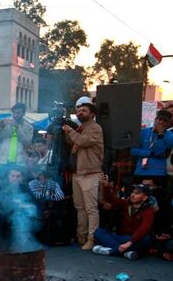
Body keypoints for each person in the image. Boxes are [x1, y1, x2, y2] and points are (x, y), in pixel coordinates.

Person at [63, 101, 104, 250]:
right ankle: (81, 237)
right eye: (79, 110)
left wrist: (70, 131)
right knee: (79, 207)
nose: (80, 113)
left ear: (92, 114)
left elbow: (83, 141)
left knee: (91, 209)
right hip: (78, 173)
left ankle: (92, 239)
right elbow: (71, 144)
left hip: (90, 173)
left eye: (84, 111)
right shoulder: (80, 128)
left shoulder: (95, 128)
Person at [92, 183, 156, 260]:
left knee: (147, 240)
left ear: (145, 197)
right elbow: (110, 199)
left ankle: (112, 251)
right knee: (98, 232)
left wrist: (130, 243)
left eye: (137, 193)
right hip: (122, 238)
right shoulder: (126, 203)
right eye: (132, 192)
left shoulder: (149, 210)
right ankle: (125, 252)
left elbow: (144, 228)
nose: (132, 195)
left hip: (136, 239)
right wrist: (106, 186)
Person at [131, 110, 173, 183]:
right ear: (155, 119)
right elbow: (133, 151)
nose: (161, 122)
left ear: (169, 123)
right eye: (160, 119)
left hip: (158, 172)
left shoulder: (172, 137)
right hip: (140, 170)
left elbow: (158, 152)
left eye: (165, 121)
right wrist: (149, 153)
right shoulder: (143, 132)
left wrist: (160, 135)